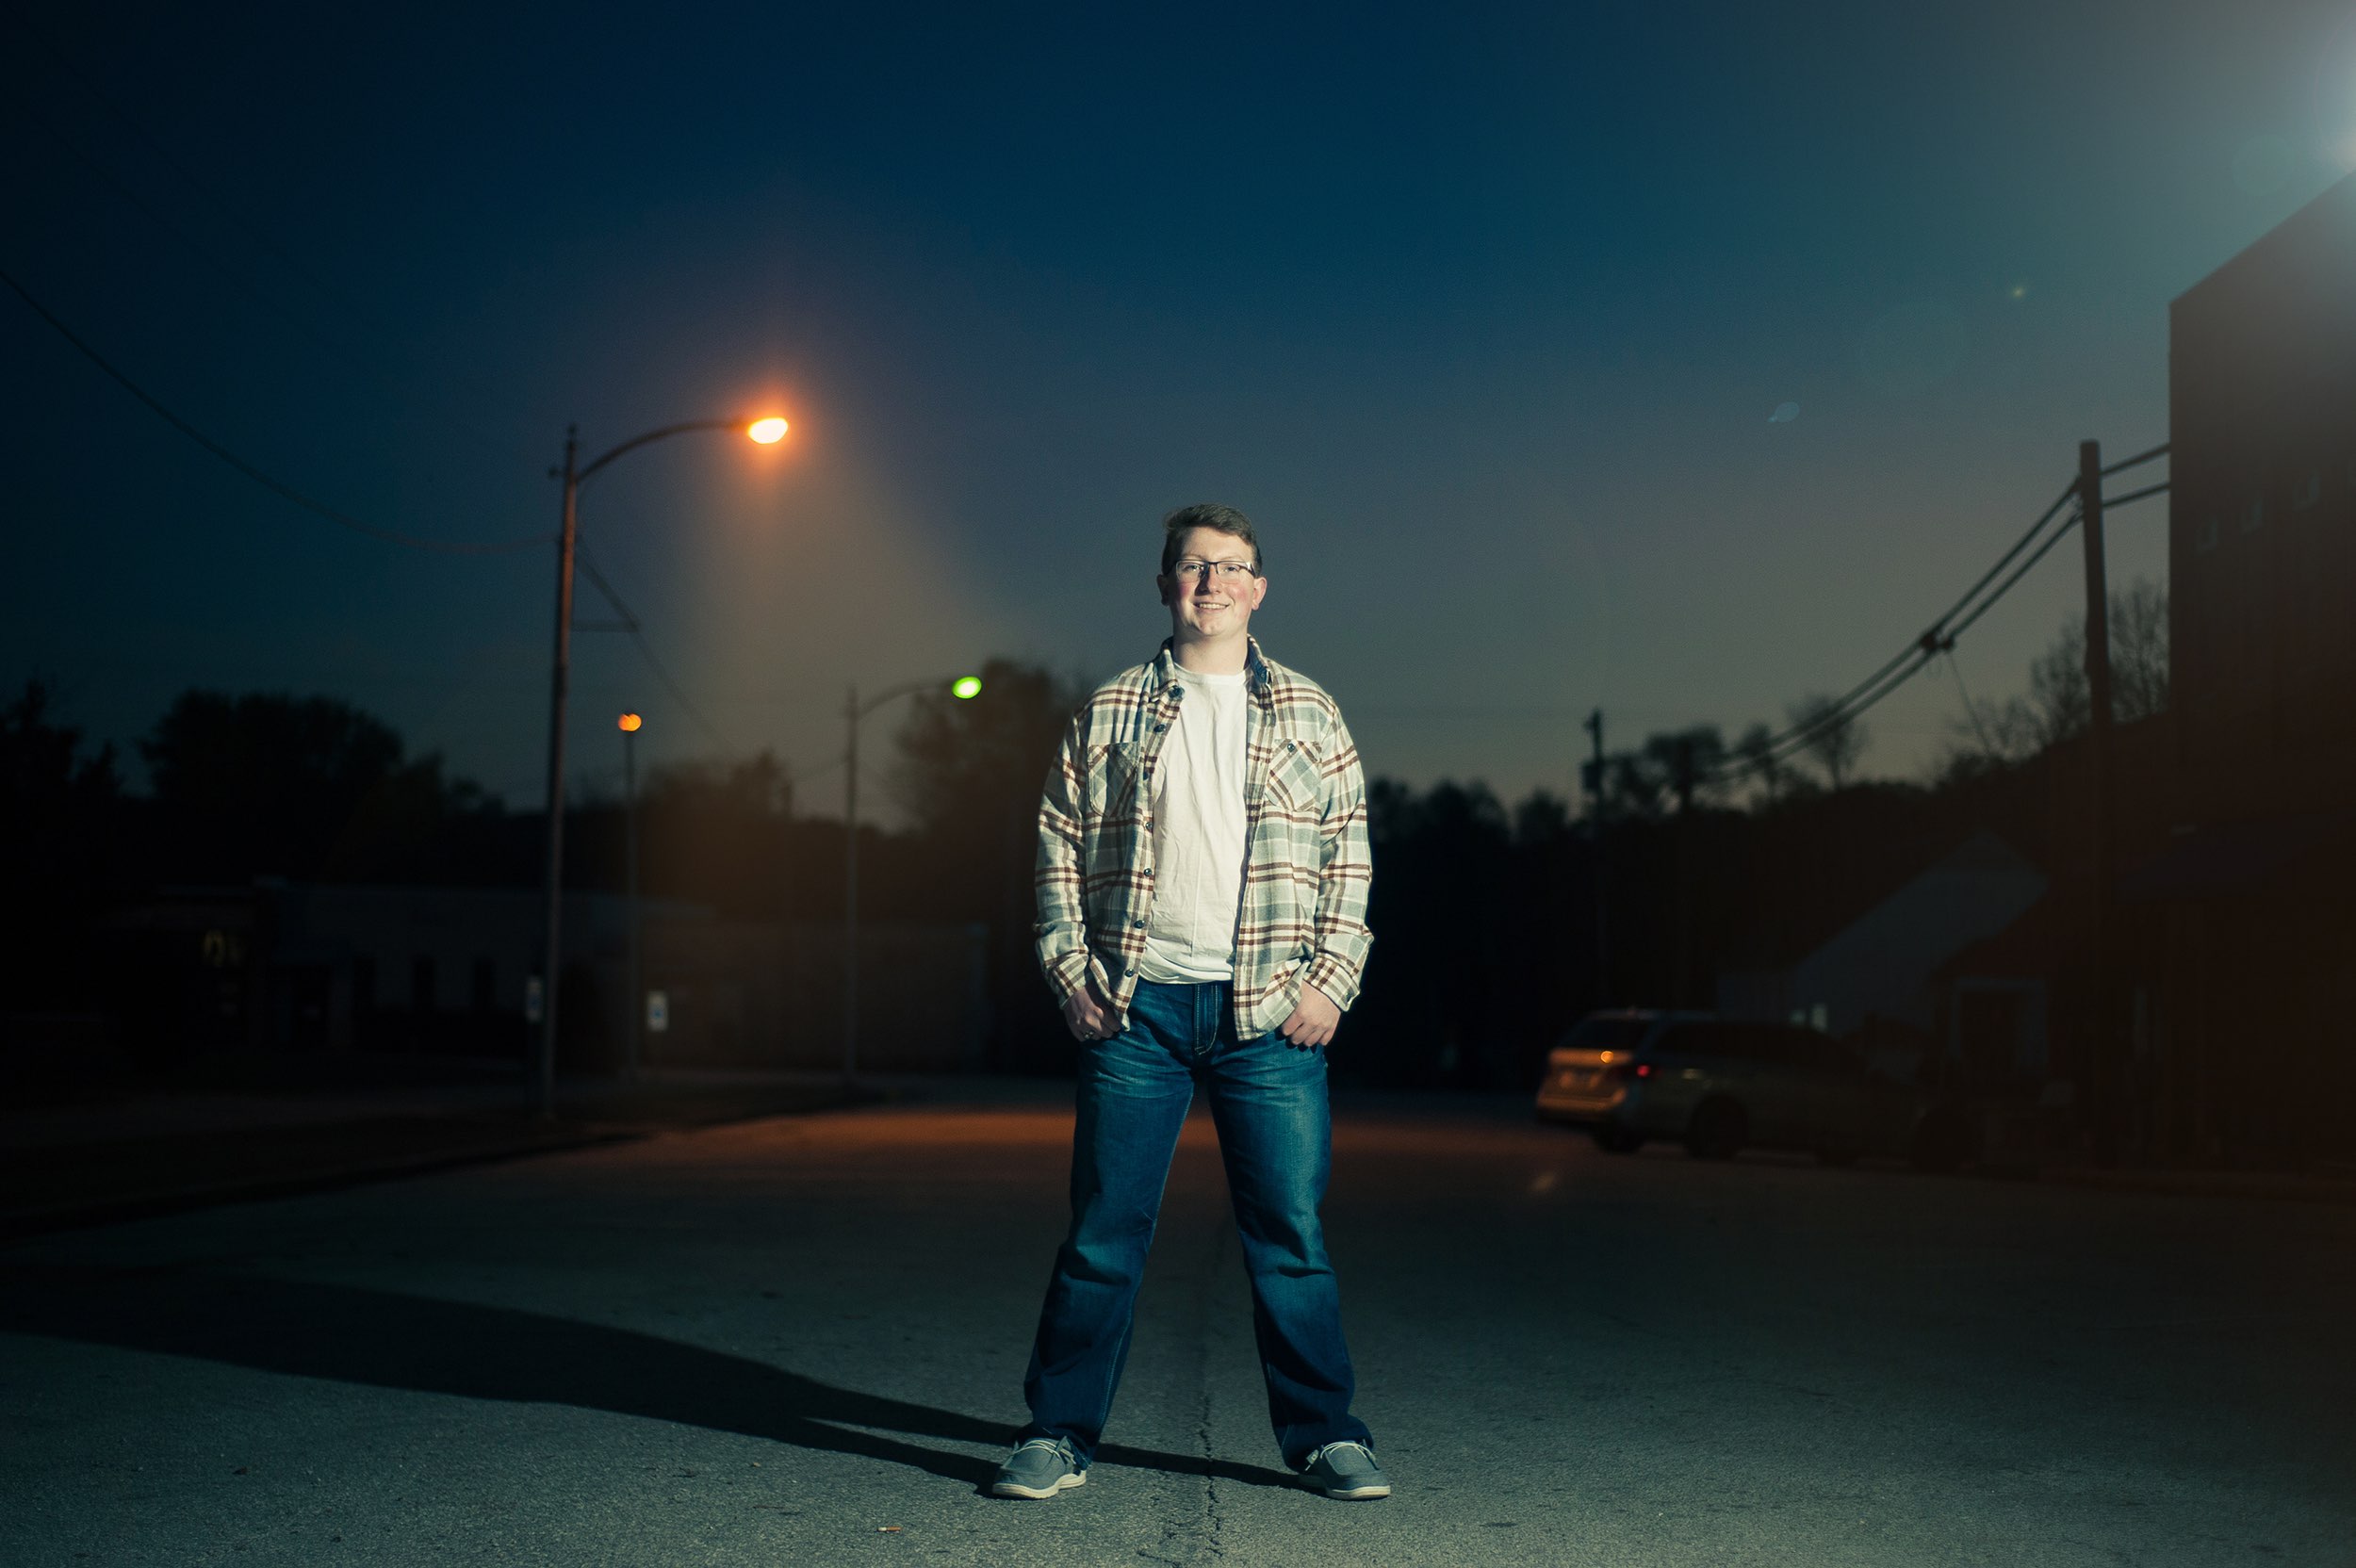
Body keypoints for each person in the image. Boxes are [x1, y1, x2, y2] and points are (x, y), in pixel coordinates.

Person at [990, 502, 1388, 1503]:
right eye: (1191, 567)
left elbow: (1350, 855)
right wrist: (1071, 974)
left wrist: (1330, 982)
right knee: (1103, 1230)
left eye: (1229, 567)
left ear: (1258, 587)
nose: (1210, 583)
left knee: (1289, 1234)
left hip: (1267, 1016)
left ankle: (1325, 1435)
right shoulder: (1110, 710)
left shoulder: (1310, 710)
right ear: (1164, 584)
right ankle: (1058, 1432)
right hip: (1139, 1011)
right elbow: (1056, 848)